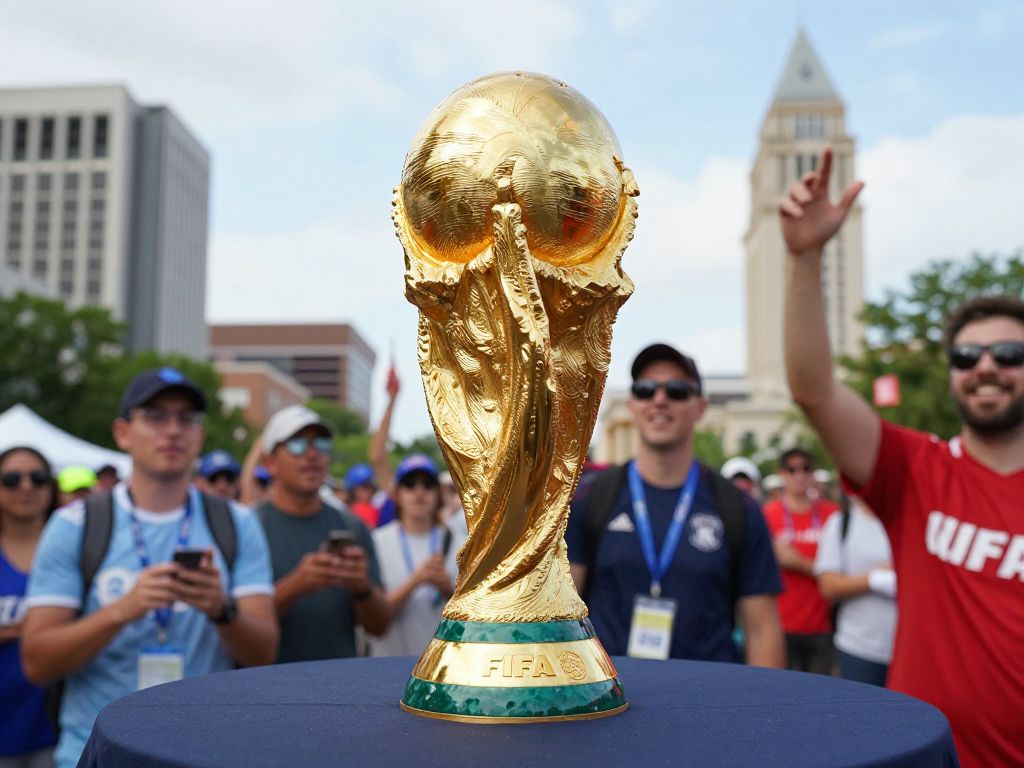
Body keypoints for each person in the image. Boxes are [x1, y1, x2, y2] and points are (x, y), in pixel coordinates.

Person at [780, 146, 1024, 766]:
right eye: (968, 358)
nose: (987, 368)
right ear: (952, 378)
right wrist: (806, 258)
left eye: (1008, 355)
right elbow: (815, 392)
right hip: (930, 757)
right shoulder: (916, 471)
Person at [22, 368, 278, 768]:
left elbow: (264, 653)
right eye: (156, 416)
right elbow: (37, 662)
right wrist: (124, 609)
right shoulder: (75, 525)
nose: (173, 430)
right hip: (96, 755)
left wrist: (220, 609)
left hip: (208, 753)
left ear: (200, 436)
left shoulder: (237, 523)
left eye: (187, 418)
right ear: (122, 433)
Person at [567, 344, 784, 666]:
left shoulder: (738, 508)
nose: (660, 399)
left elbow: (762, 628)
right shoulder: (591, 499)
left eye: (678, 390)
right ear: (632, 405)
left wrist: (765, 714)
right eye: (645, 389)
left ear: (700, 407)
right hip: (611, 698)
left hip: (710, 701)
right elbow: (564, 617)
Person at [255, 405, 389, 663]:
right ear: (269, 462)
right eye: (297, 444)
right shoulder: (248, 526)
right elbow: (234, 621)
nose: (312, 455)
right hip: (264, 688)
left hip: (337, 687)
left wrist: (362, 588)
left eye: (322, 444)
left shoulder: (351, 526)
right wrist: (296, 585)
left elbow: (379, 626)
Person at [368, 455, 462, 656]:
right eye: (410, 485)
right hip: (388, 665)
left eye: (427, 485)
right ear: (396, 494)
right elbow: (372, 617)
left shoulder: (462, 543)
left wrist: (448, 590)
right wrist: (417, 580)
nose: (419, 492)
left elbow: (477, 617)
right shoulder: (376, 542)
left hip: (443, 668)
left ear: (438, 494)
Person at [0, 447, 58, 768]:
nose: (26, 487)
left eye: (38, 478)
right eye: (11, 479)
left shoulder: (77, 551)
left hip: (56, 729)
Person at [763, 447, 838, 674]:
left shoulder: (832, 515)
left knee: (818, 702)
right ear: (782, 474)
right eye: (792, 469)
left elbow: (841, 574)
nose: (799, 475)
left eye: (806, 469)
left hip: (822, 625)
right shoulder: (767, 514)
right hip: (780, 625)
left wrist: (799, 562)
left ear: (812, 474)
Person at [814, 496, 896, 686]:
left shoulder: (916, 520)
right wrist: (873, 579)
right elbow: (827, 585)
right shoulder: (841, 522)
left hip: (912, 651)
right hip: (859, 649)